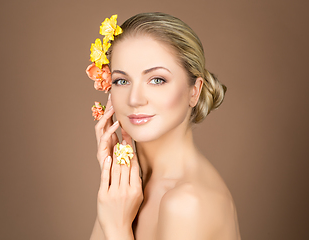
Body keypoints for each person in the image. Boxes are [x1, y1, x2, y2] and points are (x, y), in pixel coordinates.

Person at [88, 12, 241, 240]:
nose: (134, 99)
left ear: (194, 91)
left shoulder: (187, 203)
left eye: (157, 80)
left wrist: (117, 229)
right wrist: (112, 174)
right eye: (122, 80)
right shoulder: (127, 189)